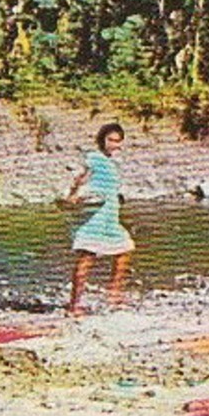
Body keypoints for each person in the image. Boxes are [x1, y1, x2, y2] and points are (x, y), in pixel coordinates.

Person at [63, 122, 135, 316]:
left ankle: (114, 293)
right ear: (102, 139)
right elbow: (81, 178)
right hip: (94, 216)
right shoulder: (94, 158)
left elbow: (109, 186)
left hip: (110, 216)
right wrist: (74, 195)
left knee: (125, 249)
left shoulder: (112, 162)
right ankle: (74, 305)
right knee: (87, 257)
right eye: (111, 140)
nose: (114, 144)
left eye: (118, 141)